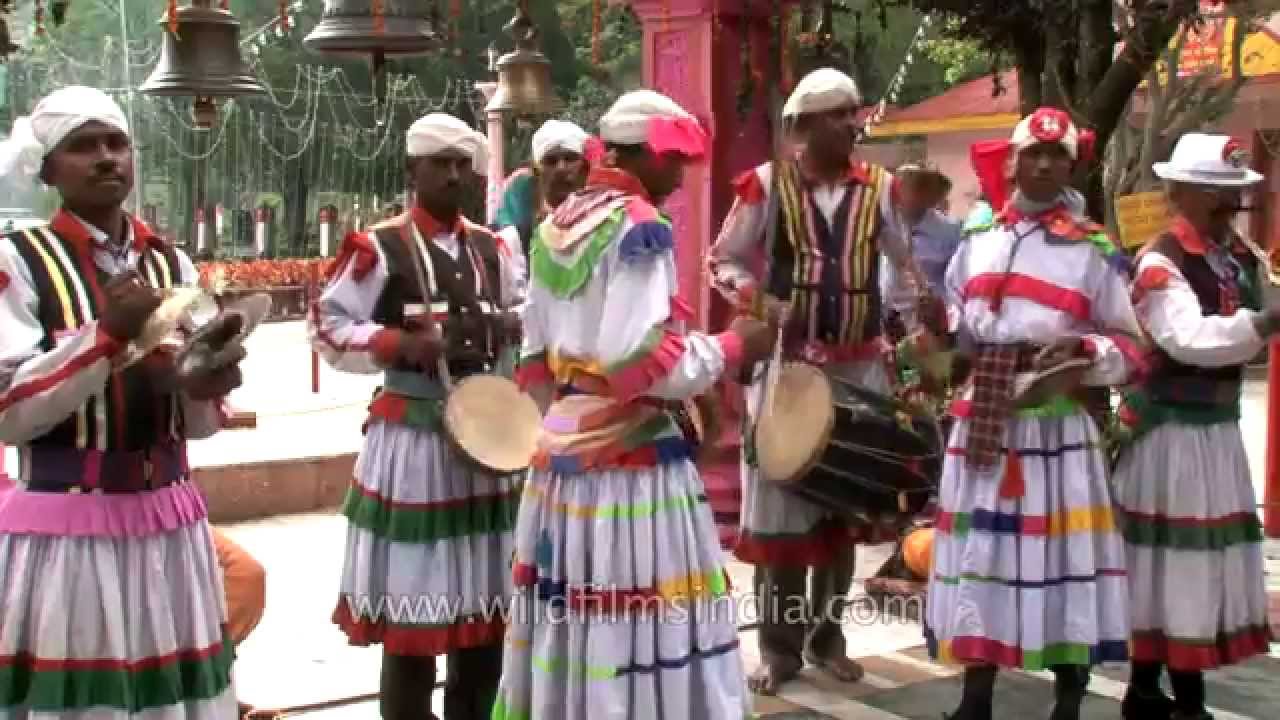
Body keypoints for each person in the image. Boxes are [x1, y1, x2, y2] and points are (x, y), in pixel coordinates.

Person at [490, 89, 775, 720]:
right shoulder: (639, 224)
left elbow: (535, 357)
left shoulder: (554, 226)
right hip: (626, 465)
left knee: (575, 608)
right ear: (643, 153)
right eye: (673, 160)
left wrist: (567, 415)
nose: (679, 174)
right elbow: (642, 359)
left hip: (562, 450)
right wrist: (733, 344)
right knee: (641, 604)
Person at [0, 85, 246, 718]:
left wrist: (203, 387)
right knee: (91, 702)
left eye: (117, 143)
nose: (107, 158)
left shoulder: (171, 262)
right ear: (48, 169)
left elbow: (197, 418)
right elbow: (8, 410)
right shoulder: (19, 261)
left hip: (168, 523)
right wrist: (104, 338)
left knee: (168, 701)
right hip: (69, 530)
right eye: (84, 147)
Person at [708, 66, 934, 695]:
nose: (851, 124)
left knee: (844, 507)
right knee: (783, 515)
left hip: (860, 368)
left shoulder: (883, 189)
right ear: (804, 125)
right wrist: (758, 300)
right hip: (789, 369)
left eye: (854, 113)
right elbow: (720, 260)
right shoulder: (763, 186)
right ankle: (779, 649)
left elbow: (905, 268)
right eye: (837, 115)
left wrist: (921, 324)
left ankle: (827, 637)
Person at [923, 107, 1144, 720]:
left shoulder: (1093, 250)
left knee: (1063, 557)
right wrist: (933, 345)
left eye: (1058, 157)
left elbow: (1131, 346)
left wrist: (1084, 349)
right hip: (984, 420)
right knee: (981, 557)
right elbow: (960, 333)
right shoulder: (977, 240)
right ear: (1013, 160)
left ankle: (1069, 700)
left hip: (1057, 426)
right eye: (1033, 154)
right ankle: (975, 699)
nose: (1044, 165)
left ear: (1073, 165)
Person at [309, 113, 522, 720]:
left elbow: (524, 309)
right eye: (442, 165)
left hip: (486, 440)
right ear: (413, 171)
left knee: (485, 602)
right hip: (413, 442)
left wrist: (512, 321)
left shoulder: (493, 246)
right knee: (417, 598)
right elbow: (326, 326)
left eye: (463, 164)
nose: (455, 176)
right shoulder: (378, 247)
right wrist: (394, 344)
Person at [1113, 133, 1275, 720]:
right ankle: (1178, 696)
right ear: (1183, 193)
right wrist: (1264, 320)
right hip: (1169, 433)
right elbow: (1190, 339)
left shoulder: (1230, 255)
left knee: (1185, 560)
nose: (1231, 205)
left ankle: (1148, 691)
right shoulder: (1160, 261)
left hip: (1213, 431)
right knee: (1173, 562)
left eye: (1235, 193)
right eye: (1219, 193)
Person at [491, 119, 592, 283]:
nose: (561, 168)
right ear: (538, 170)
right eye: (551, 161)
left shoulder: (604, 209)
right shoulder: (521, 194)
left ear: (586, 167)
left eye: (570, 158)